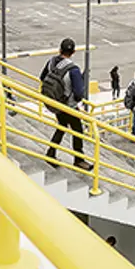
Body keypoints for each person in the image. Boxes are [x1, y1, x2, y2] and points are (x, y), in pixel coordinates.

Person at [40, 38, 91, 171]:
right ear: (73, 52)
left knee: (62, 126)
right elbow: (79, 94)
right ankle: (78, 160)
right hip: (68, 106)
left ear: (60, 50)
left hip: (53, 103)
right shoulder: (73, 70)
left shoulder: (51, 62)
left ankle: (51, 153)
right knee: (78, 131)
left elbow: (42, 77)